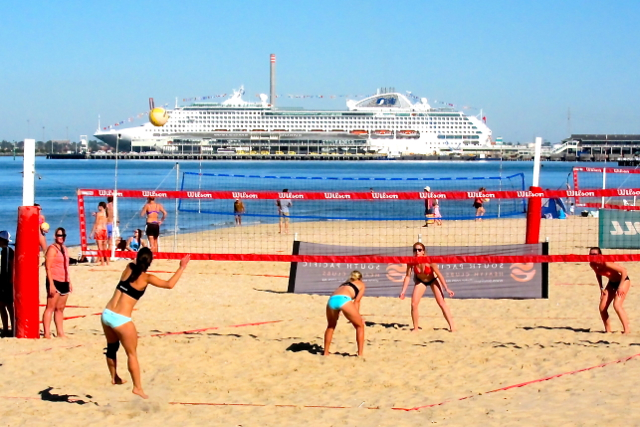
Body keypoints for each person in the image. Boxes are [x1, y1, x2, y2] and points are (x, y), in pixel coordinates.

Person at [101, 248, 189, 399]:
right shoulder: (147, 278)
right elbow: (169, 284)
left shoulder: (128, 268)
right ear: (150, 262)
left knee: (112, 348)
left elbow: (135, 264)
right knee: (132, 354)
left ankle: (114, 376)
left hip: (106, 314)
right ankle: (137, 387)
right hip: (121, 320)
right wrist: (181, 267)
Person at [399, 242, 456, 332]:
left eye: (419, 250)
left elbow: (439, 275)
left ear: (423, 252)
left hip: (433, 280)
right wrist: (403, 291)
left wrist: (447, 288)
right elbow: (407, 276)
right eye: (415, 250)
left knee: (441, 303)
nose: (417, 252)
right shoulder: (411, 261)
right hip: (421, 281)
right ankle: (416, 328)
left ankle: (452, 327)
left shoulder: (430, 261)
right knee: (414, 304)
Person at [589, 247, 631, 334]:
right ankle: (608, 331)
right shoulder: (592, 264)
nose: (592, 256)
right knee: (602, 308)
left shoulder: (606, 263)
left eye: (594, 254)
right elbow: (598, 274)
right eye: (591, 254)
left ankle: (627, 330)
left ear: (600, 255)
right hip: (611, 283)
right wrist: (601, 288)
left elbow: (624, 271)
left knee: (617, 305)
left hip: (623, 281)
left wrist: (620, 287)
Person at [324, 270, 366, 356]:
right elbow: (357, 302)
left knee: (331, 326)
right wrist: (357, 315)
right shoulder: (361, 284)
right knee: (360, 326)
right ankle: (360, 354)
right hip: (344, 299)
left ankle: (325, 352)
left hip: (331, 300)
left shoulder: (343, 284)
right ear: (360, 278)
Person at [43, 227, 71, 338]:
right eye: (59, 235)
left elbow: (67, 267)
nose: (62, 238)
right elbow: (48, 267)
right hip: (54, 280)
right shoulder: (52, 249)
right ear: (55, 236)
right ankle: (46, 333)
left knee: (60, 308)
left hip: (65, 281)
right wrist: (51, 284)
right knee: (50, 307)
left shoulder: (64, 248)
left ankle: (60, 332)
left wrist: (70, 282)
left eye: (63, 236)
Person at [0, 231, 14, 337]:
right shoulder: (3, 251)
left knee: (9, 306)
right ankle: (5, 329)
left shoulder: (8, 251)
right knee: (1, 306)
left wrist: (11, 280)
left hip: (6, 282)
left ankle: (12, 328)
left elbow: (12, 266)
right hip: (2, 281)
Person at [90, 202, 109, 266]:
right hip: (105, 230)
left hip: (99, 230)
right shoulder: (106, 214)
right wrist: (96, 214)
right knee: (105, 247)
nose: (98, 207)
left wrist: (91, 233)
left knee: (100, 248)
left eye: (98, 206)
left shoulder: (99, 214)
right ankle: (108, 262)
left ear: (101, 207)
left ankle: (103, 262)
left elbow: (96, 223)